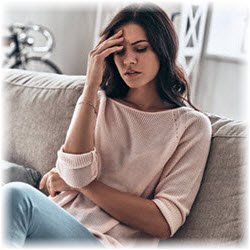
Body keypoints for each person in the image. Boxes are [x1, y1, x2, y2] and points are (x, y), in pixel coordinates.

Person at [2, 2, 212, 248]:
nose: (129, 60)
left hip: (103, 242)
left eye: (140, 49)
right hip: (53, 227)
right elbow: (73, 172)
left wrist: (85, 186)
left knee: (16, 196)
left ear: (163, 50)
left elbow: (163, 222)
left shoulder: (191, 126)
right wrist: (91, 86)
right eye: (119, 51)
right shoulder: (99, 102)